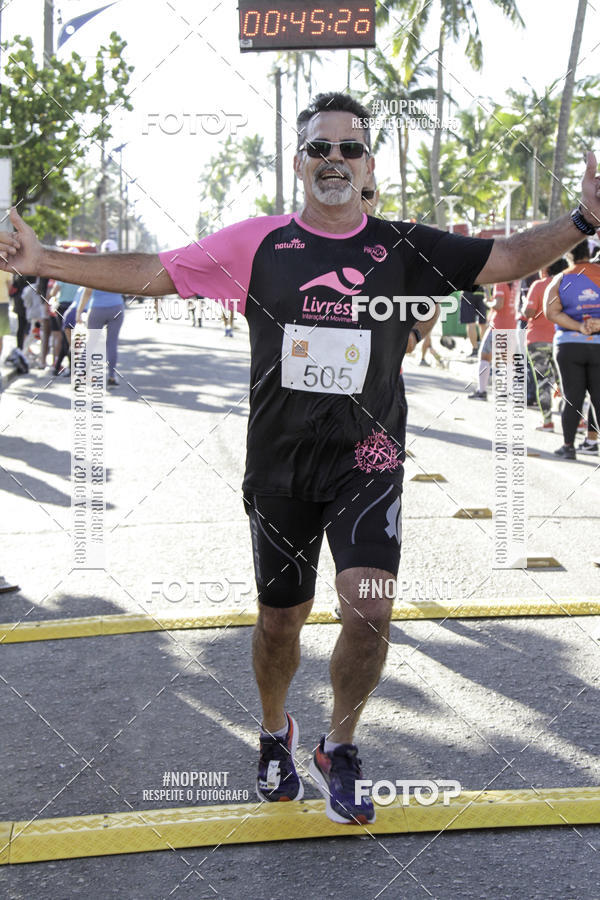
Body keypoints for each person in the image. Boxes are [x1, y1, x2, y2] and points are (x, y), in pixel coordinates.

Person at [1, 91, 599, 825]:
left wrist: (584, 220)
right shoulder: (257, 244)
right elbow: (154, 272)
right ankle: (275, 728)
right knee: (280, 624)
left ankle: (339, 745)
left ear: (368, 162)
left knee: (369, 607)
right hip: (280, 466)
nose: (335, 160)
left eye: (350, 148)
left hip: (369, 460)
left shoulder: (403, 247)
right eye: (321, 148)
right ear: (299, 162)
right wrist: (43, 259)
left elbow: (505, 259)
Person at [544, 239, 600, 459]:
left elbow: (551, 312)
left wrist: (578, 326)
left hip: (569, 345)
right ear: (589, 251)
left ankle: (568, 447)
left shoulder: (561, 278)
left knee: (572, 397)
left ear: (568, 255)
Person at [523, 257, 568, 431]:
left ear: (547, 268)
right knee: (566, 383)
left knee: (543, 383)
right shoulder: (566, 286)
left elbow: (529, 312)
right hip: (561, 340)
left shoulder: (539, 285)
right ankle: (577, 421)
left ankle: (547, 422)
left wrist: (523, 309)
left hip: (536, 341)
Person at [75, 239, 125, 387]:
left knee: (91, 342)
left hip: (97, 309)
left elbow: (87, 292)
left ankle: (81, 374)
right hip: (116, 308)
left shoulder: (94, 268)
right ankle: (111, 375)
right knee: (112, 343)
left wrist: (79, 311)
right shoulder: (121, 270)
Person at [468, 280, 521, 400]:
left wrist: (487, 303)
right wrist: (487, 290)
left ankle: (481, 391)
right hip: (512, 324)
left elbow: (498, 305)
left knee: (484, 356)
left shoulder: (502, 282)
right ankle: (507, 392)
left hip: (498, 326)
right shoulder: (517, 281)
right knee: (507, 359)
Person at [459, 285, 487, 358]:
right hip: (481, 293)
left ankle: (475, 350)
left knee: (471, 323)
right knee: (482, 324)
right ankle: (483, 350)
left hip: (468, 292)